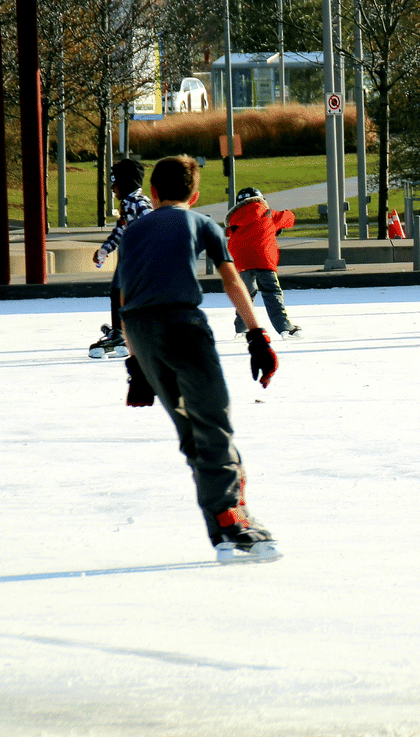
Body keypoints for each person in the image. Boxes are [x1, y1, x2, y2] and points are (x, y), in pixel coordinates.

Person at [116, 155, 280, 564]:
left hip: (139, 330)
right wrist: (257, 336)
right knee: (213, 421)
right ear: (196, 194)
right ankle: (231, 520)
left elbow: (121, 296)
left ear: (153, 193)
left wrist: (136, 365)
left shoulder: (134, 230)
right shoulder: (202, 223)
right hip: (182, 324)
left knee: (193, 432)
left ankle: (224, 527)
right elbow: (230, 278)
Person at [87, 159, 155, 358]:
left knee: (120, 293)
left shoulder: (138, 202)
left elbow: (150, 223)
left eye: (114, 184)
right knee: (120, 293)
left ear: (126, 183)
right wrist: (105, 250)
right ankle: (125, 329)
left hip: (137, 259)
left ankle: (120, 332)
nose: (112, 189)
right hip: (131, 258)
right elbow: (119, 231)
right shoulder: (128, 204)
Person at [225, 186, 302, 338]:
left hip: (242, 261)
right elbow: (289, 218)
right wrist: (276, 227)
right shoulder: (268, 213)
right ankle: (285, 327)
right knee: (272, 293)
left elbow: (230, 233)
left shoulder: (234, 220)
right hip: (263, 259)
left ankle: (241, 328)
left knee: (246, 294)